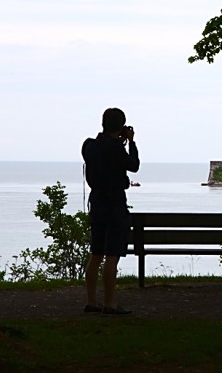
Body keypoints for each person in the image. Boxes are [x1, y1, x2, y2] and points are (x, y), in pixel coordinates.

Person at [82, 107, 140, 315]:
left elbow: (101, 156)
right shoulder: (116, 148)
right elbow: (133, 166)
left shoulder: (89, 146)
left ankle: (91, 301)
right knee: (112, 254)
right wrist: (130, 142)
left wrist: (118, 139)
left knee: (96, 253)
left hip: (96, 201)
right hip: (114, 202)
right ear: (121, 126)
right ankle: (110, 303)